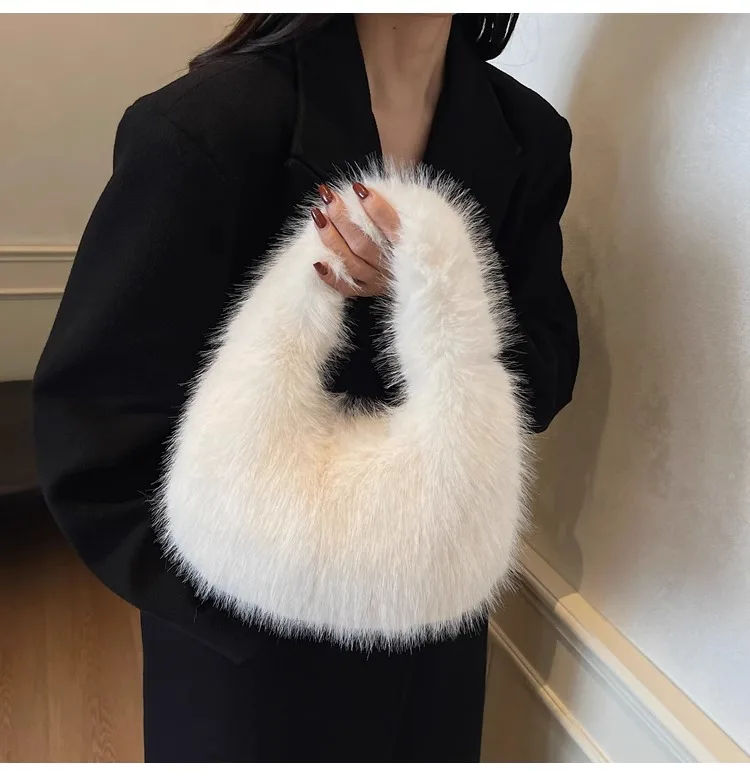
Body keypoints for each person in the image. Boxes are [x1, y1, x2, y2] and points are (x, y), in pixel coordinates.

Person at [32, 13, 579, 763]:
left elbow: (548, 367)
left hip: (430, 620)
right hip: (254, 639)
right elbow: (96, 421)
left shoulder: (529, 135)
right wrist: (248, 589)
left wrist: (437, 298)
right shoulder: (206, 126)